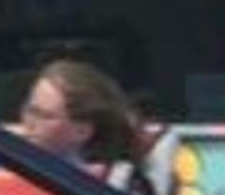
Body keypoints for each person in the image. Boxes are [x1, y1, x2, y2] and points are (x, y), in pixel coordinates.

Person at [14, 56, 147, 168]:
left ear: (82, 132)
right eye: (30, 110)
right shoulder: (6, 150)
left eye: (45, 116)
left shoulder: (107, 183)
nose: (30, 123)